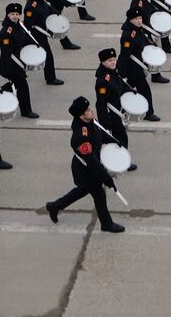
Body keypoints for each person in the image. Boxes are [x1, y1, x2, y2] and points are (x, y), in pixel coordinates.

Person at [44, 95, 124, 233]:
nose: (91, 110)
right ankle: (107, 225)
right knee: (99, 194)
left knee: (82, 191)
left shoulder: (91, 122)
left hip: (92, 167)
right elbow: (91, 162)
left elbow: (100, 135)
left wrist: (114, 141)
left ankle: (55, 206)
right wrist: (107, 178)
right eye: (87, 110)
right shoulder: (80, 137)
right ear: (81, 116)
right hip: (85, 170)